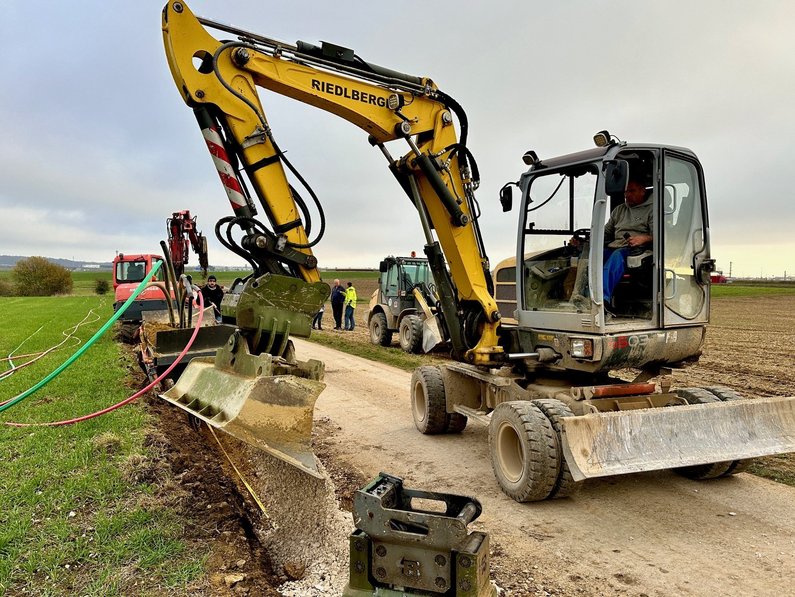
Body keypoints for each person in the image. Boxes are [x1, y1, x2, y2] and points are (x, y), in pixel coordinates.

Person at [603, 180, 653, 308]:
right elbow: (606, 233)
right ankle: (579, 296)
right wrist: (586, 240)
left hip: (638, 250)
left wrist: (644, 238)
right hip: (615, 246)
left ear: (643, 191)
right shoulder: (619, 210)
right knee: (591, 257)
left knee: (616, 257)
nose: (627, 195)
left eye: (632, 191)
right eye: (626, 191)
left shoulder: (653, 210)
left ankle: (602, 301)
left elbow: (662, 235)